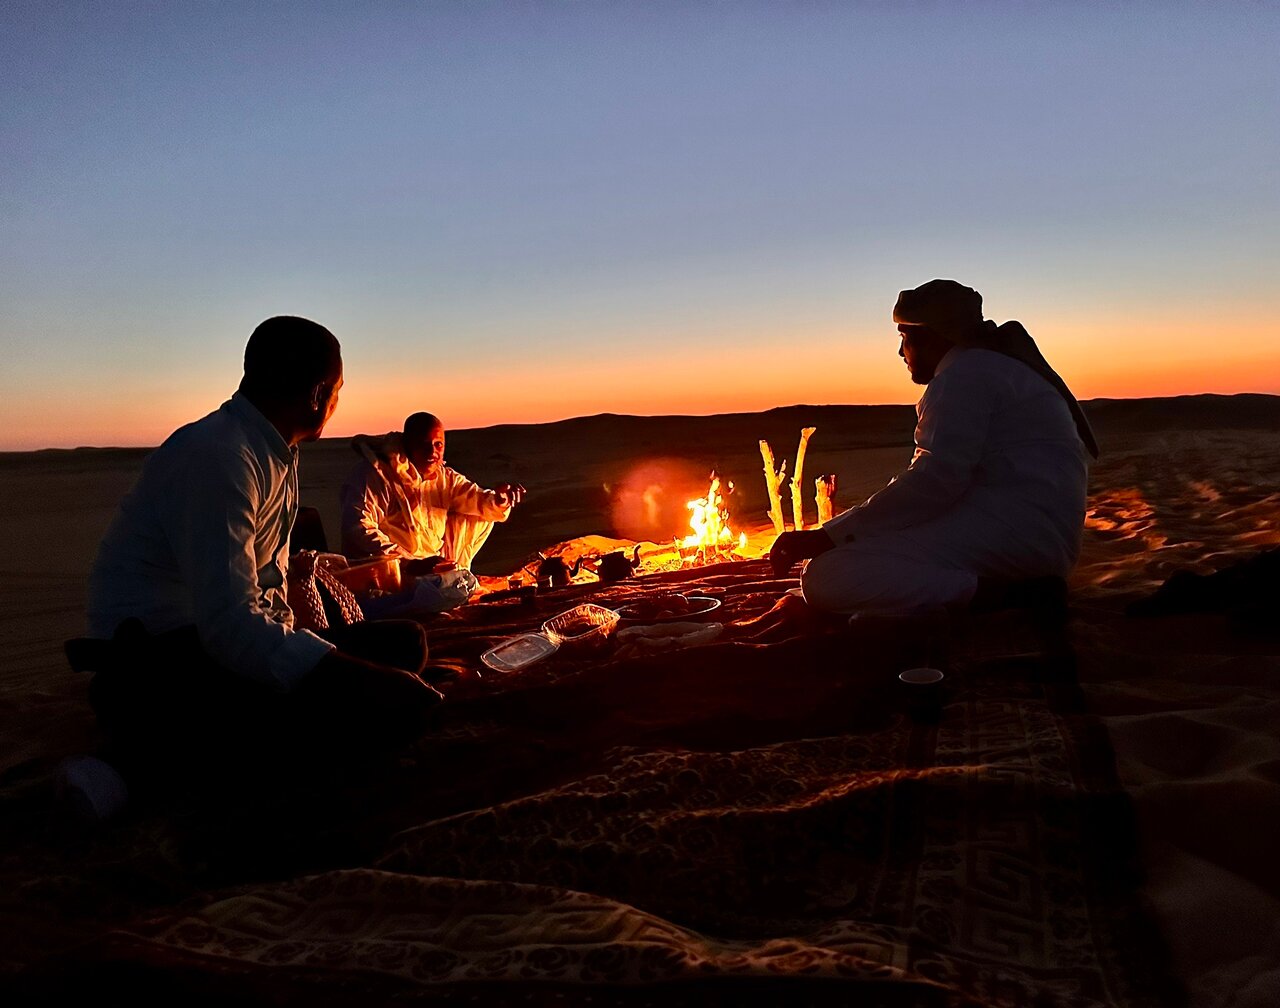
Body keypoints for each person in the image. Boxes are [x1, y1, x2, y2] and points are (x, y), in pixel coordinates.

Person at [74, 317, 443, 817]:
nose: (336, 402)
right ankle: (136, 761)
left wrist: (329, 658)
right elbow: (229, 625)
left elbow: (269, 582)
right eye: (336, 390)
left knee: (404, 647)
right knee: (381, 704)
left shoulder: (276, 452)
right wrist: (344, 676)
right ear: (317, 393)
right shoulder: (220, 457)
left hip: (222, 638)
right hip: (163, 652)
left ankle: (235, 739)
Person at [769, 279, 1096, 614]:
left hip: (1017, 540)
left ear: (933, 336)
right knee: (865, 547)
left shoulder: (965, 375)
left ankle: (1010, 596)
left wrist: (826, 536)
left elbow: (934, 482)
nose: (901, 352)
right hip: (1031, 533)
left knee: (827, 575)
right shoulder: (993, 369)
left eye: (904, 338)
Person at [340, 412, 525, 573]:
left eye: (438, 444)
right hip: (389, 572)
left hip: (431, 568)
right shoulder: (376, 475)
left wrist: (500, 500)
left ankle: (451, 576)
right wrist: (407, 563)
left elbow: (477, 499)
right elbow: (358, 529)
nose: (432, 451)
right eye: (424, 443)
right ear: (407, 444)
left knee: (478, 516)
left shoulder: (445, 479)